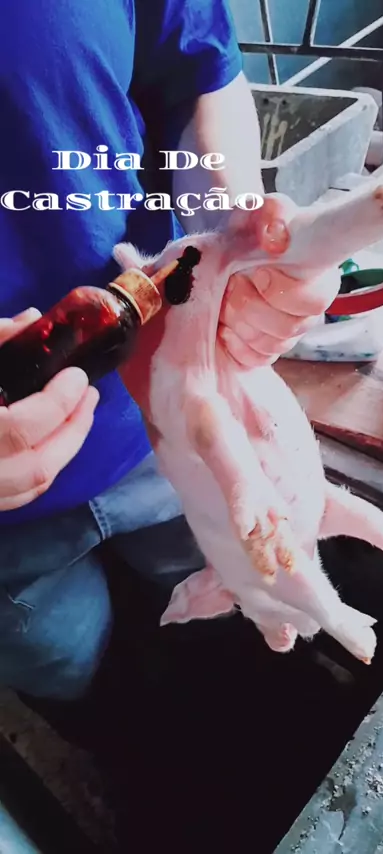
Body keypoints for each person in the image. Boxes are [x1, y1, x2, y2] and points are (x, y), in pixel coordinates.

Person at [0, 1, 325, 715]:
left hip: (153, 429)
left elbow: (198, 74)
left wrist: (236, 231)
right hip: (9, 541)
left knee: (225, 598)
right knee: (77, 670)